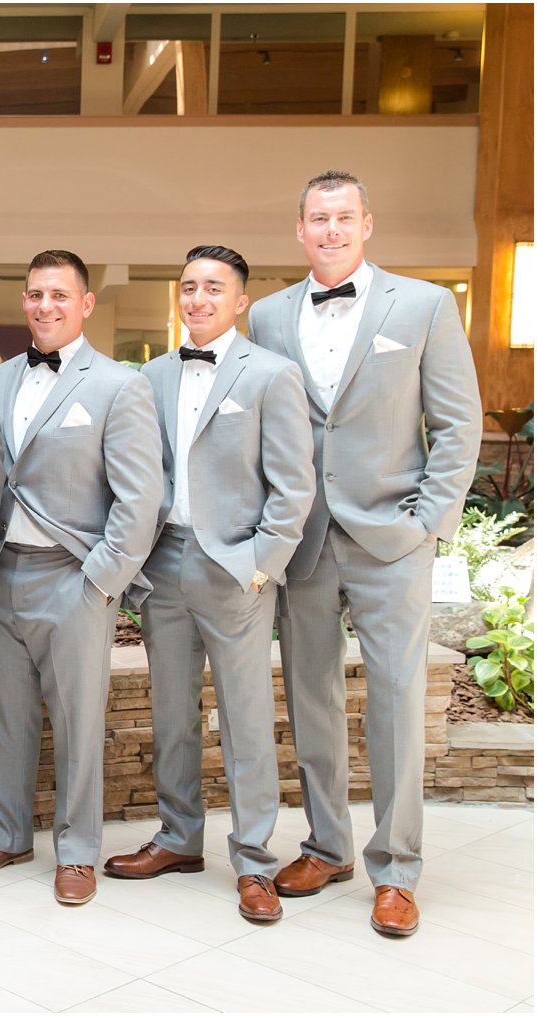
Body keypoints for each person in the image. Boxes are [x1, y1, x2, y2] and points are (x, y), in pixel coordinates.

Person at [248, 171, 482, 937]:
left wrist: (428, 522)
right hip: (305, 541)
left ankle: (398, 868)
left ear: (367, 224)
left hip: (392, 538)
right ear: (299, 229)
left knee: (395, 700)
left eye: (344, 217)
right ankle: (327, 846)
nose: (330, 230)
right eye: (317, 218)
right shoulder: (271, 315)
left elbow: (458, 422)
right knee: (310, 698)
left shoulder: (422, 305)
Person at [105, 245, 314, 923]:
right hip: (165, 563)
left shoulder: (273, 375)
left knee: (247, 719)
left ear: (240, 300)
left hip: (236, 571)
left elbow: (293, 486)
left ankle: (254, 859)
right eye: (188, 286)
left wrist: (261, 564)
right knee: (171, 714)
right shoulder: (152, 375)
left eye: (213, 288)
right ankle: (178, 838)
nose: (197, 298)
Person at [0, 249, 162, 906]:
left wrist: (102, 581)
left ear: (86, 304)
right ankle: (5, 832)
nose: (45, 306)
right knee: (0, 716)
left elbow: (139, 498)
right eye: (36, 295)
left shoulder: (120, 385)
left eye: (59, 295)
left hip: (74, 578)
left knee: (77, 722)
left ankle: (76, 849)